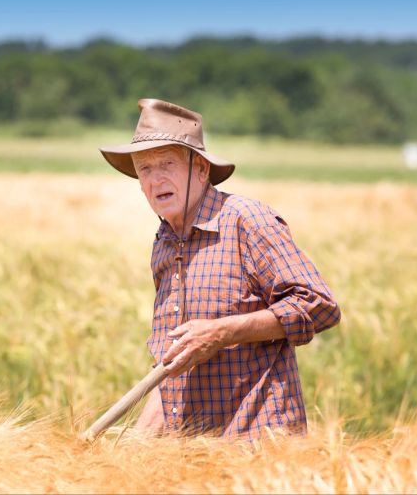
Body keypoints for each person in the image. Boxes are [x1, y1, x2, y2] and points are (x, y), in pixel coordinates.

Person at [99, 98, 340, 438]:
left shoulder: (247, 220)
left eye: (167, 163)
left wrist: (222, 333)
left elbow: (320, 306)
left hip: (261, 449)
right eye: (145, 169)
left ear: (200, 168)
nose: (155, 180)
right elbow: (172, 368)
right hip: (194, 459)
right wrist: (135, 448)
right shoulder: (165, 243)